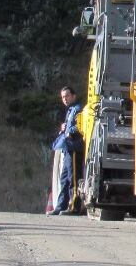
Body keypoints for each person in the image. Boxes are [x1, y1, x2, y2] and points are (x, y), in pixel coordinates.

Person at [50, 86, 83, 216]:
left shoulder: (78, 109)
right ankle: (60, 206)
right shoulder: (70, 110)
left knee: (73, 178)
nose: (65, 99)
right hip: (67, 148)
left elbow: (81, 125)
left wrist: (70, 131)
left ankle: (74, 206)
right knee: (64, 178)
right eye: (63, 97)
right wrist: (64, 127)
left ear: (74, 96)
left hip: (74, 147)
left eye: (67, 96)